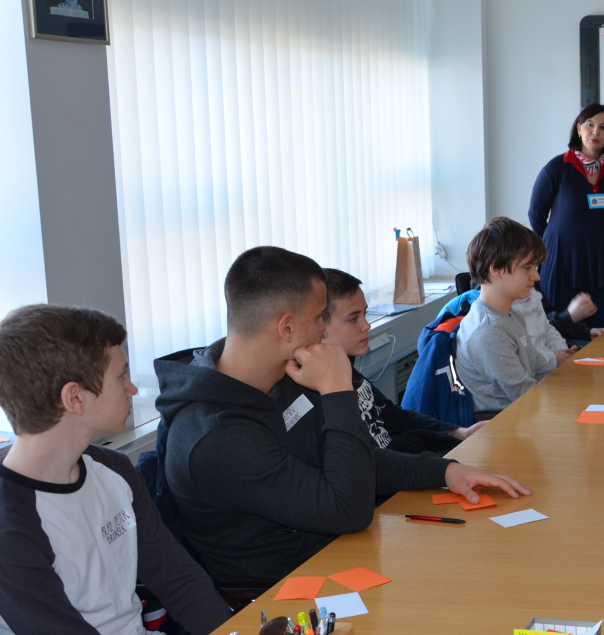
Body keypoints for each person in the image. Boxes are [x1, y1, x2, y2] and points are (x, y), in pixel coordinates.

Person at [157, 246, 528, 587]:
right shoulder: (215, 438)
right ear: (286, 328)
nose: (324, 328)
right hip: (289, 596)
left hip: (337, 554)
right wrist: (337, 390)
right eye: (320, 316)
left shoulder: (279, 376)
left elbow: (351, 461)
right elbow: (347, 509)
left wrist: (444, 471)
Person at [0, 305, 231, 635]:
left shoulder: (113, 469)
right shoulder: (11, 527)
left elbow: (176, 578)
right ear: (75, 398)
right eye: (121, 376)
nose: (132, 388)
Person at [321, 268, 483, 454]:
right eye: (353, 319)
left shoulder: (346, 367)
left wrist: (459, 432)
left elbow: (393, 415)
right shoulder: (320, 391)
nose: (366, 325)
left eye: (364, 314)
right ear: (319, 327)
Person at [454, 218, 564, 418]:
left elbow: (539, 367)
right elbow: (526, 395)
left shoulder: (510, 315)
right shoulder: (488, 331)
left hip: (526, 415)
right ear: (496, 269)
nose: (536, 276)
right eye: (527, 268)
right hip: (508, 426)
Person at [528, 103, 604, 327]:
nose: (595, 132)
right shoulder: (557, 168)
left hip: (599, 267)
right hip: (561, 266)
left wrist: (593, 240)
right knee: (559, 336)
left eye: (603, 127)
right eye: (589, 125)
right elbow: (535, 215)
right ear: (579, 129)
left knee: (596, 340)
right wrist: (558, 243)